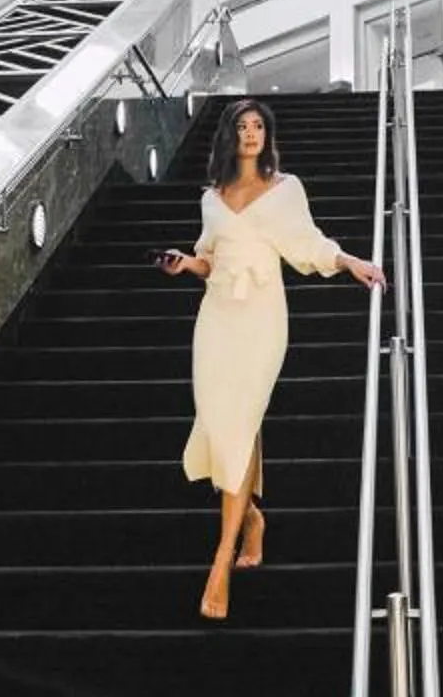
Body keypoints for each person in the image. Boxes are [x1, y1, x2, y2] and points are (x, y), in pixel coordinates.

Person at [160, 99, 384, 620]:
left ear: (268, 135)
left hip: (261, 318)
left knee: (239, 424)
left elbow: (306, 243)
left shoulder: (286, 188)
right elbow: (209, 258)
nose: (252, 133)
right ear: (229, 137)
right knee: (225, 424)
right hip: (216, 317)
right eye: (242, 126)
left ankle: (221, 560)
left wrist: (350, 261)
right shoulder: (212, 198)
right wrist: (183, 263)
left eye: (259, 126)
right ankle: (253, 518)